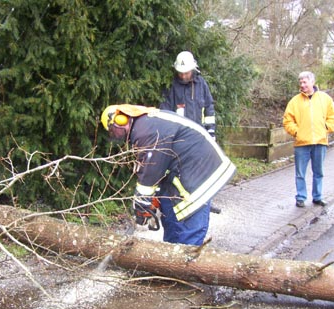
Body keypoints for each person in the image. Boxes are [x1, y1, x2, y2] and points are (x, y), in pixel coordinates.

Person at [100, 104, 236, 246]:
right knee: (170, 216)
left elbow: (151, 169)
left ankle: (185, 264)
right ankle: (169, 257)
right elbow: (157, 165)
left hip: (199, 171)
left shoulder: (145, 129)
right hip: (183, 168)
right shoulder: (144, 126)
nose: (114, 135)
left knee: (188, 228)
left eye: (112, 130)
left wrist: (141, 202)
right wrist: (154, 196)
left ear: (119, 120)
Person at [283, 71, 334, 208]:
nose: (302, 85)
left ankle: (317, 196)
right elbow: (287, 120)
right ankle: (301, 197)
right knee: (300, 173)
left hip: (320, 142)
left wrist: (327, 127)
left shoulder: (325, 99)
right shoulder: (295, 101)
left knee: (318, 171)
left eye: (305, 82)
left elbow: (333, 116)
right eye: (300, 82)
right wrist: (297, 132)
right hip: (302, 143)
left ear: (312, 82)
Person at [160, 51, 216, 138]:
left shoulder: (200, 83)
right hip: (179, 138)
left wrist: (211, 132)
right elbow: (165, 111)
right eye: (180, 73)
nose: (183, 76)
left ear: (192, 69)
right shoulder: (171, 86)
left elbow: (209, 107)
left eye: (186, 73)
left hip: (199, 136)